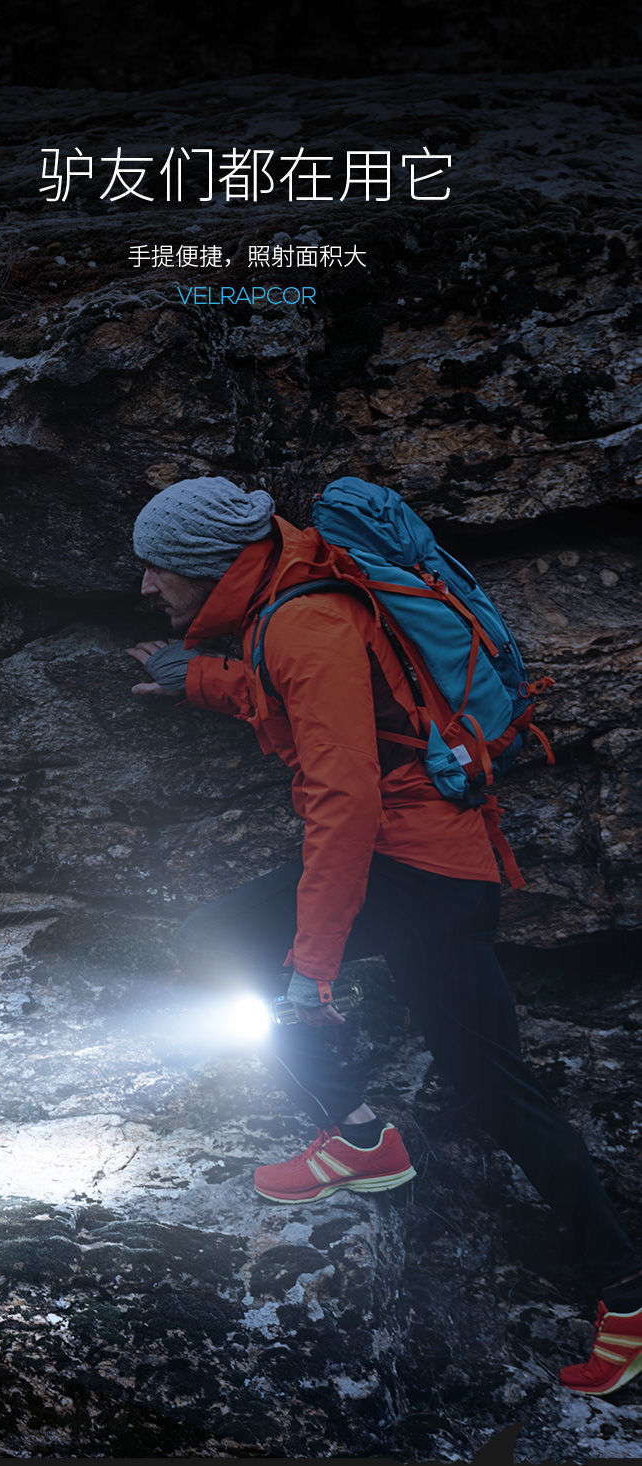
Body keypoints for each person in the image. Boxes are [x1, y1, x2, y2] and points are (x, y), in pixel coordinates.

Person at [127, 474, 642, 1398]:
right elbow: (305, 698)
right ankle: (374, 1147)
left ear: (211, 566)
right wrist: (199, 678)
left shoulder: (300, 619)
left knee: (224, 944)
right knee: (493, 1086)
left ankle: (368, 1142)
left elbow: (344, 797)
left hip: (412, 867)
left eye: (157, 568)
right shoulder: (294, 587)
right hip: (434, 865)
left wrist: (312, 965)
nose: (145, 587)